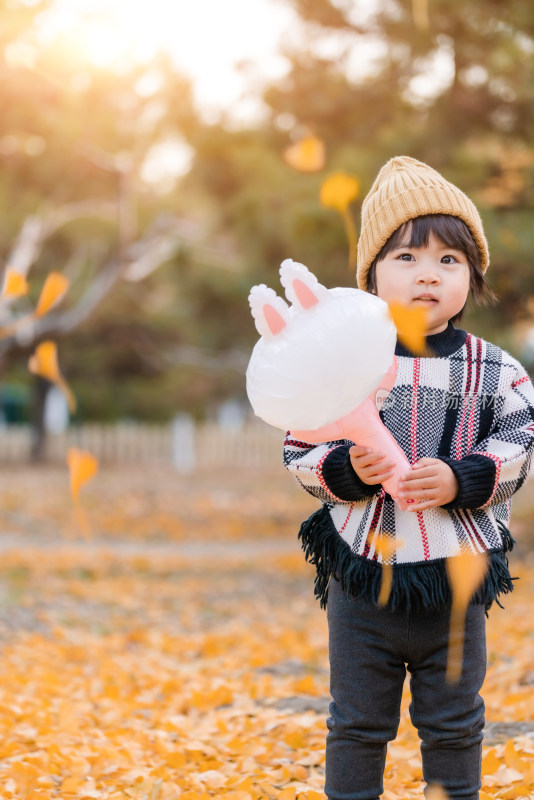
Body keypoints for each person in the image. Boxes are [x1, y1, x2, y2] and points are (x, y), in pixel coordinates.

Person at [283, 156, 534, 800]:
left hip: (455, 576)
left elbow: (520, 442)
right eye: (407, 258)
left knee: (453, 723)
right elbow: (299, 443)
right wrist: (345, 469)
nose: (428, 273)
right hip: (362, 577)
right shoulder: (346, 362)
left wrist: (463, 478)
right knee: (357, 722)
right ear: (370, 277)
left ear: (473, 277)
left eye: (449, 260)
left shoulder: (494, 368)